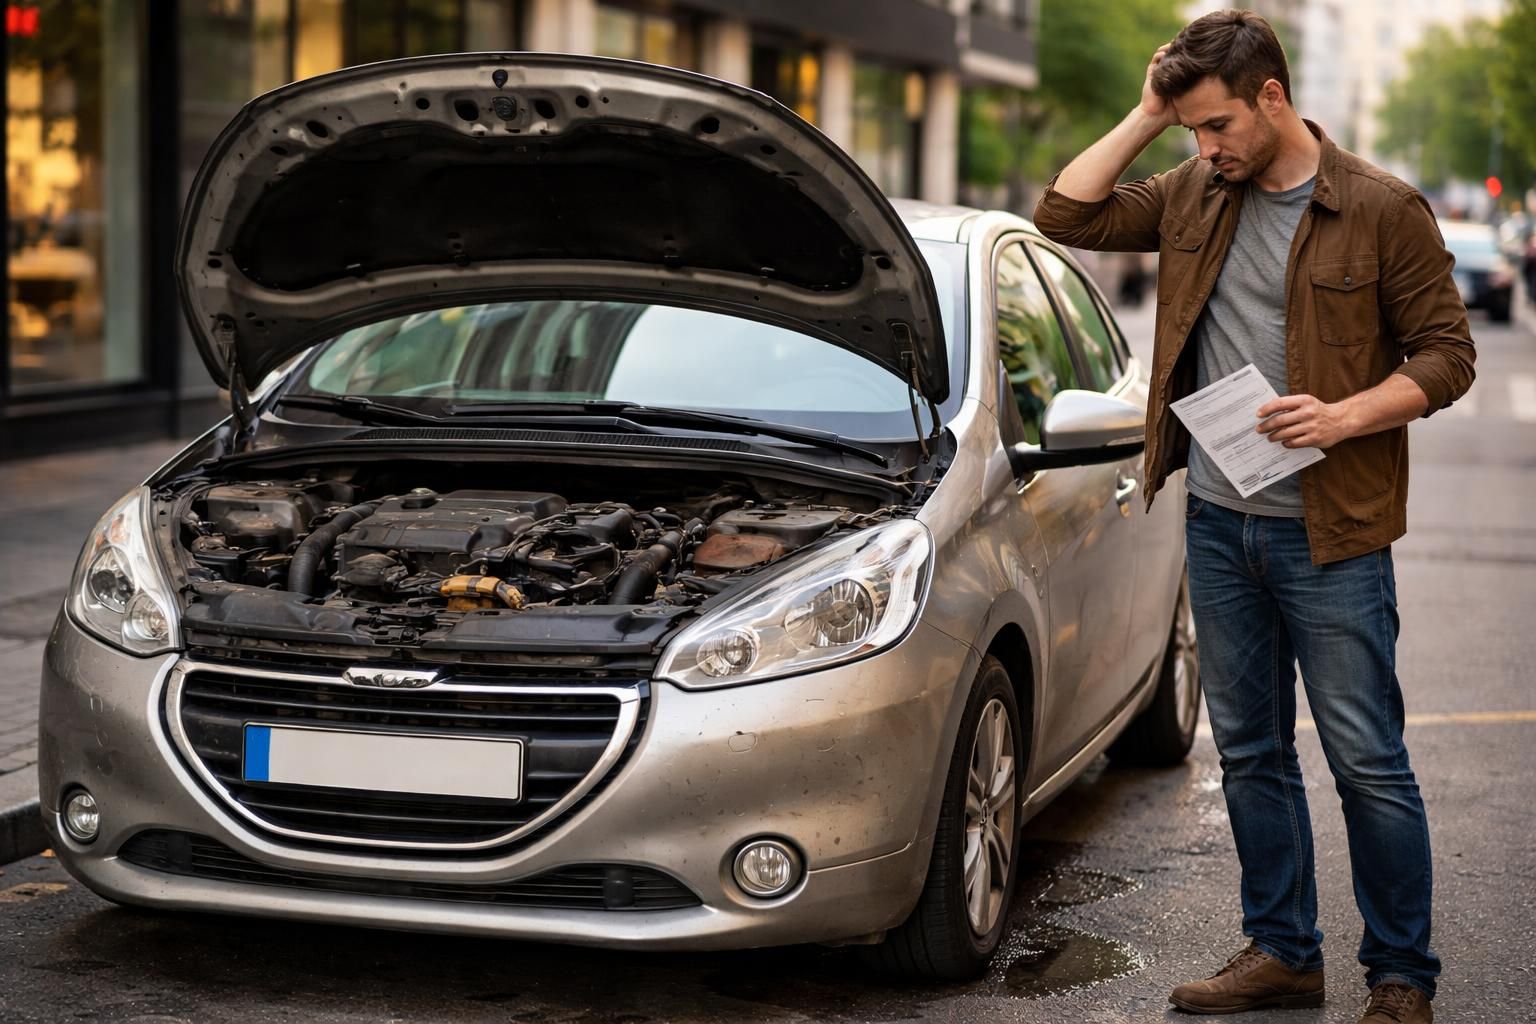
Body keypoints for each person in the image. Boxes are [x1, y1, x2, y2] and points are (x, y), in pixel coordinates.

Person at [1033, 10, 1474, 1023]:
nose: (1206, 147)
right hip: (1219, 521)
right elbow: (1065, 214)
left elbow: (1449, 354)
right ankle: (1282, 950)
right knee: (1248, 752)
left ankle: (1401, 976)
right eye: (1191, 128)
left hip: (1333, 532)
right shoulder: (1195, 187)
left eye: (1218, 124)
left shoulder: (1382, 208)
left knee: (1367, 760)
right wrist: (1151, 111)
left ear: (1273, 98)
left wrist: (1345, 415)